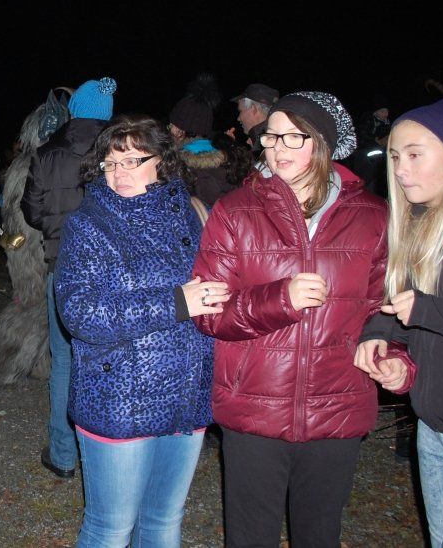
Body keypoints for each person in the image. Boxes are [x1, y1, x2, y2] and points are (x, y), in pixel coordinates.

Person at [192, 91, 411, 547]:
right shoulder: (235, 212)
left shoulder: (374, 217)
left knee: (320, 534)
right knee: (250, 538)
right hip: (254, 407)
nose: (278, 148)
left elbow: (386, 308)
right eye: (271, 136)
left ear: (322, 142)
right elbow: (208, 314)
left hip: (338, 406)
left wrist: (391, 354)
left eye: (294, 137)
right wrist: (280, 299)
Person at [54, 115, 221, 547]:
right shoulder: (88, 225)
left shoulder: (191, 213)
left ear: (162, 161)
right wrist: (176, 302)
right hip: (118, 396)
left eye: (132, 160)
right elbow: (81, 314)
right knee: (111, 529)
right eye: (111, 163)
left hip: (185, 393)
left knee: (164, 522)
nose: (119, 173)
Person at [356, 96, 443, 548]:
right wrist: (381, 338)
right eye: (395, 156)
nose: (401, 169)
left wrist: (425, 310)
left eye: (415, 155)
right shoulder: (421, 220)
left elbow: (432, 309)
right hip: (433, 424)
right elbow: (401, 301)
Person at [22, 77, 116, 479]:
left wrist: (56, 228)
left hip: (63, 265)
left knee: (63, 359)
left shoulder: (47, 154)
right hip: (112, 272)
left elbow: (32, 210)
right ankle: (106, 456)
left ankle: (64, 455)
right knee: (108, 359)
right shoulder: (120, 152)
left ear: (73, 111)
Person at [168, 73, 239, 205]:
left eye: (171, 126)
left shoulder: (178, 169)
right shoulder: (231, 163)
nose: (168, 130)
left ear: (179, 130)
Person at [230, 83, 280, 152]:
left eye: (240, 111)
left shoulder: (265, 146)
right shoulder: (276, 138)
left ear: (253, 109)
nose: (238, 118)